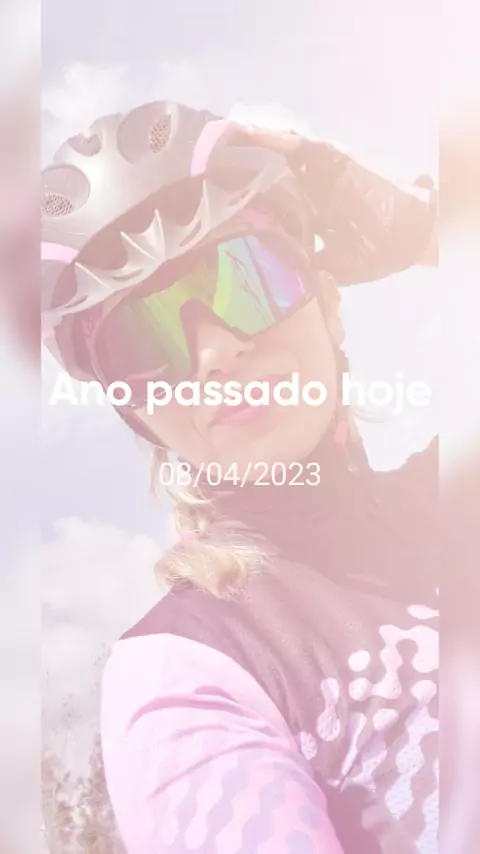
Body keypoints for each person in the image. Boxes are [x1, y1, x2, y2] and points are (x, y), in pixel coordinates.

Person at [41, 100, 438, 854]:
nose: (215, 352)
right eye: (144, 342)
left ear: (325, 301)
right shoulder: (187, 675)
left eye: (245, 278)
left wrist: (426, 230)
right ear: (139, 415)